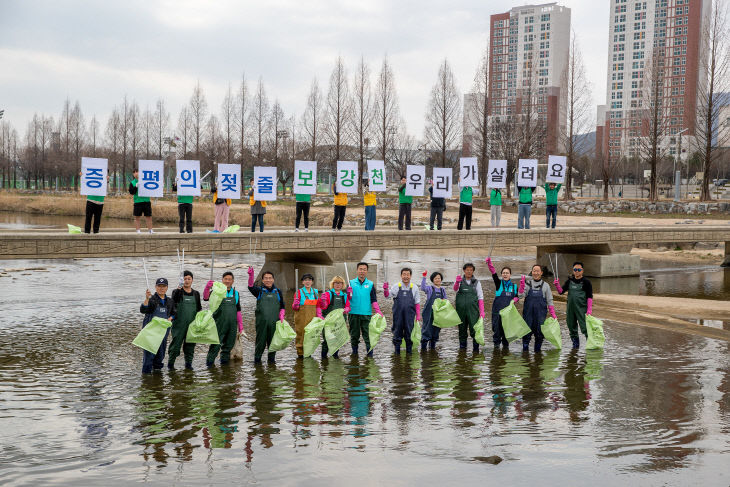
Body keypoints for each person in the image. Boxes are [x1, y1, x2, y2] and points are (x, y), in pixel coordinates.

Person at [203, 271, 242, 366]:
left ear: (233, 281)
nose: (227, 281)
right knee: (215, 345)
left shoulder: (236, 293)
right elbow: (205, 297)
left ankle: (224, 366)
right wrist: (207, 287)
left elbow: (238, 310)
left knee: (228, 347)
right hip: (219, 324)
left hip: (232, 325)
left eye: (229, 279)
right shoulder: (216, 291)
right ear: (222, 280)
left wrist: (240, 326)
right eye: (225, 279)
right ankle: (209, 365)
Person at [248, 267, 286, 363]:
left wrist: (282, 314)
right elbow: (250, 287)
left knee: (272, 344)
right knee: (260, 343)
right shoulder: (259, 291)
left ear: (273, 279)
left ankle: (271, 362)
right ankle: (257, 362)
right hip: (261, 323)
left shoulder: (278, 292)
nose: (268, 280)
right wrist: (251, 276)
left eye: (270, 278)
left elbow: (282, 306)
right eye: (266, 278)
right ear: (263, 280)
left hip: (274, 323)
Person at [139, 278, 175, 373]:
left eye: (164, 286)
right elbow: (143, 310)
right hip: (150, 335)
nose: (161, 288)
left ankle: (157, 381)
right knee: (148, 359)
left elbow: (174, 313)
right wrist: (146, 298)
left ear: (167, 287)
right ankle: (146, 380)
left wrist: (170, 319)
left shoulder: (170, 301)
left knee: (160, 358)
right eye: (159, 286)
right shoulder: (152, 300)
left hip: (163, 334)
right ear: (156, 287)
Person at [554, 261, 593, 349]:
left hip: (582, 308)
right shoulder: (569, 281)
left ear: (582, 270)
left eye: (579, 270)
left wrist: (589, 310)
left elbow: (590, 296)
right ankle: (575, 346)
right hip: (570, 309)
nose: (577, 271)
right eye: (575, 269)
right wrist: (557, 285)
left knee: (585, 328)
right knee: (571, 327)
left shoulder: (586, 282)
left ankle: (590, 345)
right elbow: (561, 292)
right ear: (573, 270)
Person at [518, 264, 557, 353]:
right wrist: (521, 285)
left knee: (539, 335)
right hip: (528, 315)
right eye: (534, 271)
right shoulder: (528, 284)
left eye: (537, 271)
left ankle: (537, 352)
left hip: (540, 316)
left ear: (541, 273)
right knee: (526, 334)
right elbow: (521, 296)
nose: (535, 273)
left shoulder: (546, 285)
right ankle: (525, 353)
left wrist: (553, 314)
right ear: (532, 272)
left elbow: (550, 301)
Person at [347, 262, 383, 356]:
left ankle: (370, 354)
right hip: (353, 313)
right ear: (357, 270)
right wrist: (348, 293)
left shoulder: (370, 284)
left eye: (364, 269)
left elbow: (374, 300)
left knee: (368, 335)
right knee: (354, 336)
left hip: (366, 314)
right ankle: (355, 353)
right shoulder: (350, 283)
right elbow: (346, 299)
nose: (362, 271)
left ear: (367, 271)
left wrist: (378, 310)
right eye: (360, 269)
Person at [169, 270, 202, 369]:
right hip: (179, 325)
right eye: (184, 279)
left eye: (189, 279)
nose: (187, 281)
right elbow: (173, 303)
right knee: (175, 346)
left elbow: (199, 309)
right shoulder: (176, 292)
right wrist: (179, 289)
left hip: (192, 325)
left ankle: (188, 365)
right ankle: (170, 365)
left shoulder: (196, 294)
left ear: (192, 280)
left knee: (190, 346)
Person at [383, 267, 421, 354]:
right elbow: (387, 296)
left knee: (409, 333)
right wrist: (385, 289)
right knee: (397, 333)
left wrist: (418, 315)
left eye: (408, 274)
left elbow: (417, 302)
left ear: (410, 276)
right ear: (401, 275)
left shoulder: (414, 287)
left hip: (410, 316)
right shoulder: (396, 286)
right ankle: (397, 353)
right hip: (398, 315)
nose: (406, 276)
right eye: (404, 274)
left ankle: (409, 352)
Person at [486, 257, 519, 350]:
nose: (505, 274)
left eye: (507, 273)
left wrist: (515, 300)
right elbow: (494, 274)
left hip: (508, 314)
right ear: (502, 274)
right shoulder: (499, 284)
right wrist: (490, 264)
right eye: (503, 273)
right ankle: (496, 351)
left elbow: (517, 296)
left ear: (510, 275)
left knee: (506, 333)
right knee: (497, 332)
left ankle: (505, 350)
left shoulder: (514, 286)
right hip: (497, 313)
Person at [453, 262, 485, 353]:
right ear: (464, 270)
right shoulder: (459, 281)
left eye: (471, 270)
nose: (469, 272)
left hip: (473, 311)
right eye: (467, 270)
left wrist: (482, 311)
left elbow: (480, 297)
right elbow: (455, 289)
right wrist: (456, 282)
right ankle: (462, 349)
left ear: (473, 271)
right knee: (462, 331)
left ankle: (476, 350)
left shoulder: (477, 283)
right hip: (460, 311)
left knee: (474, 330)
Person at [317, 275, 350, 358]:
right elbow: (323, 307)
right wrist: (323, 301)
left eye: (340, 283)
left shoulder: (345, 295)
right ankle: (323, 359)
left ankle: (335, 357)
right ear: (333, 284)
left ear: (343, 284)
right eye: (336, 283)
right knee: (326, 340)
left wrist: (347, 309)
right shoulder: (328, 294)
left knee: (337, 340)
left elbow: (348, 306)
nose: (338, 285)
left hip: (339, 322)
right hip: (328, 322)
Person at [292, 273, 319, 359]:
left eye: (309, 280)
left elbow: (318, 306)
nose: (307, 282)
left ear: (312, 282)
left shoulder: (315, 292)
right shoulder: (298, 292)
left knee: (311, 335)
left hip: (312, 317)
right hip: (301, 318)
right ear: (302, 282)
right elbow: (294, 308)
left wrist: (319, 313)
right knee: (301, 334)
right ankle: (300, 354)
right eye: (305, 280)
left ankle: (309, 352)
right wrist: (295, 305)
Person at [420, 270, 446, 351]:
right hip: (428, 313)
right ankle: (423, 350)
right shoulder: (430, 288)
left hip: (438, 314)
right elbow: (422, 287)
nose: (437, 280)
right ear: (432, 280)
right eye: (436, 278)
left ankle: (432, 349)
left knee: (435, 331)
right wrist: (424, 277)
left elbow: (445, 301)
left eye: (439, 278)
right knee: (427, 330)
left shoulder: (442, 290)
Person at [129, 169, 154, 234]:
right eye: (134, 172)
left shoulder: (146, 180)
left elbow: (152, 188)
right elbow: (131, 192)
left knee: (149, 216)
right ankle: (138, 230)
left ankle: (150, 230)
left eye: (137, 172)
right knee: (137, 217)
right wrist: (136, 187)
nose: (136, 173)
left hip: (146, 201)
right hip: (138, 202)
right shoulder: (132, 182)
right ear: (133, 174)